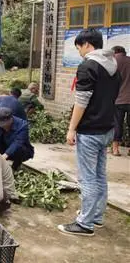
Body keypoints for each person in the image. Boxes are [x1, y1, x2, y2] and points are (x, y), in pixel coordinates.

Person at [58, 29, 120, 237]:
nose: (79, 53)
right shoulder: (113, 65)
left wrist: (71, 129)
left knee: (87, 178)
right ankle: (96, 216)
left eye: (79, 48)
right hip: (108, 128)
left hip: (91, 130)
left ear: (87, 44)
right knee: (99, 175)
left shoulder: (88, 66)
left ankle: (85, 223)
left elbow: (81, 101)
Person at [112, 46, 130, 156]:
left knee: (117, 124)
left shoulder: (113, 63)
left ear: (115, 53)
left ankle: (115, 149)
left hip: (118, 100)